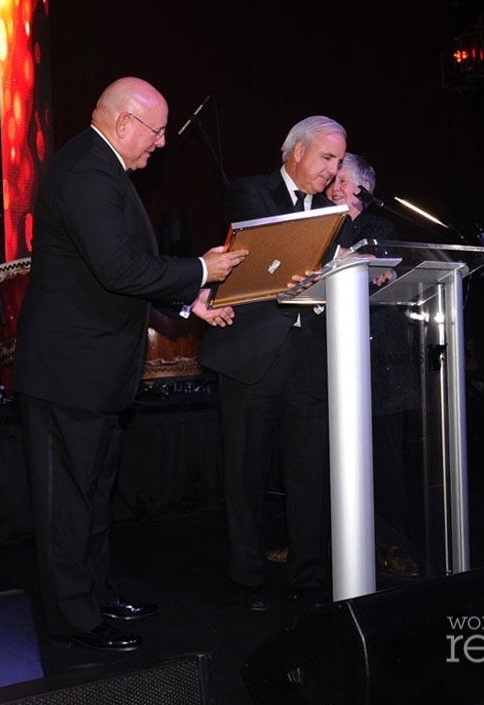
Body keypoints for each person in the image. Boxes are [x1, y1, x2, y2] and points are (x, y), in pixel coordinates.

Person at [11, 76, 246, 652]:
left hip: (93, 368)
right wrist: (200, 271)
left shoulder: (101, 165)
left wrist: (186, 298)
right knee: (68, 500)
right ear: (125, 125)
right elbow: (119, 269)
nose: (162, 144)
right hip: (70, 370)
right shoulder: (90, 172)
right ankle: (74, 617)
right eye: (158, 131)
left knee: (92, 493)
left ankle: (96, 593)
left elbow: (129, 262)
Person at [198, 115, 352, 611]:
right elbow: (274, 244)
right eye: (327, 158)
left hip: (310, 359)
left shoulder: (328, 211)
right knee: (246, 474)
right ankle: (248, 579)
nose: (333, 171)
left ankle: (308, 578)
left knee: (309, 473)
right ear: (297, 152)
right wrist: (334, 229)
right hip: (254, 357)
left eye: (339, 162)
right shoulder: (251, 192)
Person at [326, 152, 421, 577]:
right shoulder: (319, 222)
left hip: (381, 362)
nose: (333, 187)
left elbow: (381, 273)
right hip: (332, 357)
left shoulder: (381, 227)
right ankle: (320, 540)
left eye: (341, 181)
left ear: (363, 188)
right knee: (326, 457)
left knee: (385, 461)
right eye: (330, 179)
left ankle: (393, 543)